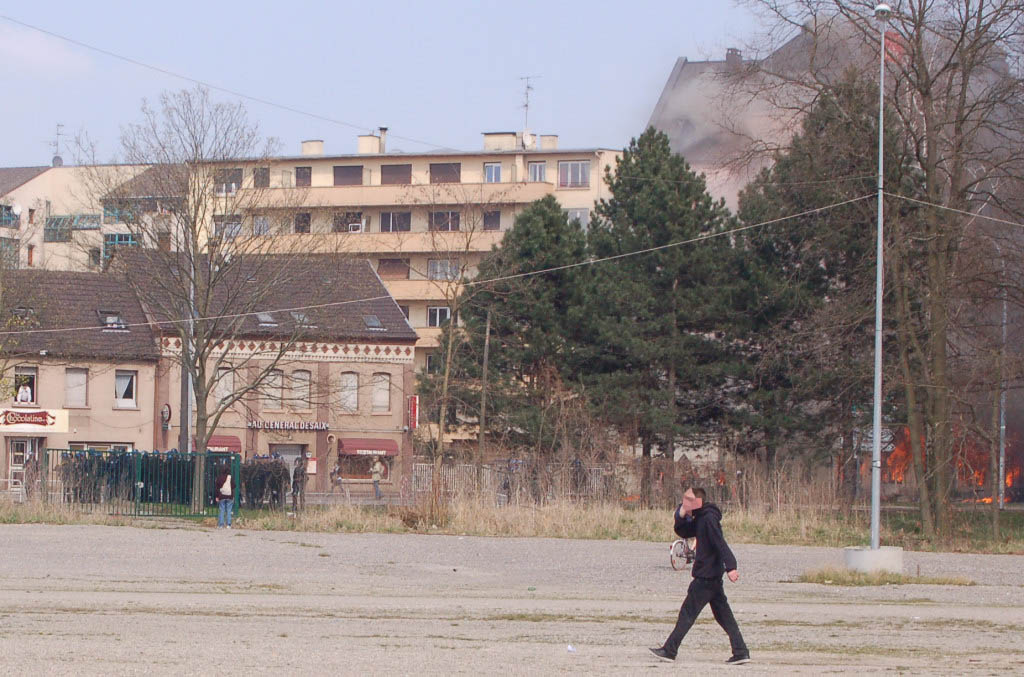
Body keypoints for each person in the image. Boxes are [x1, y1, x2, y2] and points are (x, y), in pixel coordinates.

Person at [650, 487, 750, 665]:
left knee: (687, 614)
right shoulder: (701, 517)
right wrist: (680, 514)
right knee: (724, 617)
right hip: (711, 578)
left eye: (688, 500)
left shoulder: (708, 518)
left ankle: (669, 650)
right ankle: (741, 652)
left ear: (698, 502)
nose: (684, 502)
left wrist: (731, 567)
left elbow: (720, 543)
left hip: (706, 577)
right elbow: (684, 531)